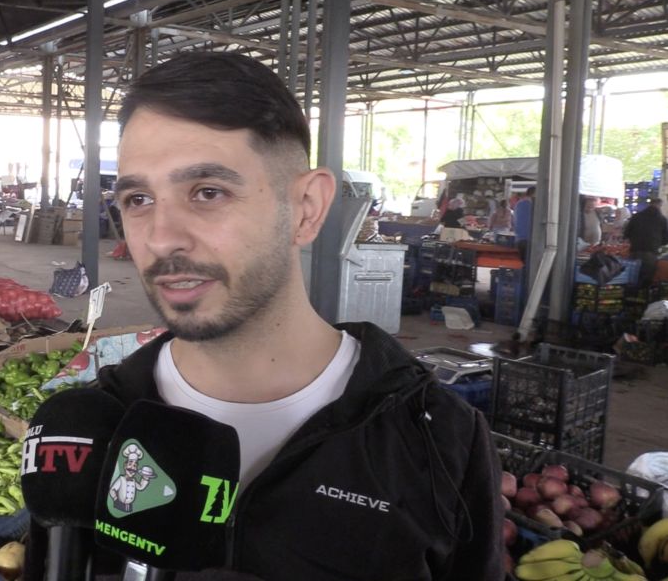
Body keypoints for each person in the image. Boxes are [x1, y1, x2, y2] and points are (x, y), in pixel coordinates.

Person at [30, 52, 503, 580]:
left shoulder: (437, 439)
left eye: (208, 192)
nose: (160, 238)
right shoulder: (88, 430)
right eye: (138, 199)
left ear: (306, 208)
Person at [624, 197, 668, 287]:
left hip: (634, 251)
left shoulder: (636, 216)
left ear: (649, 204)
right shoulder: (662, 219)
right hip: (650, 253)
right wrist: (657, 243)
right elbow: (666, 238)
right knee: (646, 280)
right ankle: (643, 294)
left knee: (632, 278)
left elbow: (627, 233)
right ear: (660, 205)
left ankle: (630, 294)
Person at [513, 186, 535, 262]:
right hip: (530, 239)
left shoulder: (519, 204)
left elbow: (514, 220)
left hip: (519, 239)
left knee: (525, 263)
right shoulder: (533, 205)